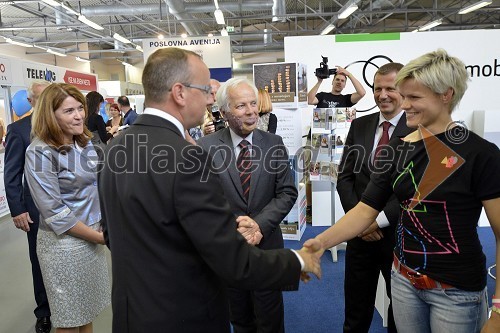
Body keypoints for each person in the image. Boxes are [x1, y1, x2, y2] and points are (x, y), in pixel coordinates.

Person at [98, 47, 322, 333]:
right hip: (183, 314)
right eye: (204, 90)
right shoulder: (188, 156)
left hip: (134, 314)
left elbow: (111, 233)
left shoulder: (116, 147)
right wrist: (298, 259)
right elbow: (232, 260)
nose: (208, 100)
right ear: (179, 92)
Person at [305, 49, 500, 333]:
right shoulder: (398, 147)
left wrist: (498, 309)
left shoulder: (480, 154)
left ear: (446, 95)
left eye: (413, 97)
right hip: (404, 280)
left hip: (455, 291)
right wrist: (319, 244)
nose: (403, 104)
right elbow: (365, 209)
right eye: (404, 95)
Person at [197, 78, 297, 333]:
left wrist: (259, 225)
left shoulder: (273, 144)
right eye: (242, 106)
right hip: (228, 249)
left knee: (270, 317)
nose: (252, 111)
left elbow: (286, 192)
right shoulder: (206, 147)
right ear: (225, 112)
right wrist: (235, 228)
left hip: (267, 248)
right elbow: (203, 199)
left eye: (253, 104)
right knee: (239, 318)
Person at [24, 83, 111, 332]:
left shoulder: (83, 143)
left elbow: (99, 184)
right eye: (69, 111)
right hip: (65, 247)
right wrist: (101, 237)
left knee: (87, 312)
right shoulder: (40, 151)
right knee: (70, 319)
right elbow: (55, 213)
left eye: (79, 109)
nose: (79, 116)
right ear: (51, 116)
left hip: (92, 237)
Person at [337, 62, 412, 333]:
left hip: (397, 236)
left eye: (390, 88)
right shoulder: (360, 125)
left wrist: (376, 221)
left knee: (400, 310)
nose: (383, 95)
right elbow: (345, 178)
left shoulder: (417, 129)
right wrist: (359, 221)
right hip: (359, 237)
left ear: (403, 90)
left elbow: (410, 187)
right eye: (378, 88)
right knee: (356, 308)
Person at [4, 79, 52, 333]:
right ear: (31, 101)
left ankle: (68, 303)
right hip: (34, 210)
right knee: (39, 259)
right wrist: (18, 209)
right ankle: (44, 311)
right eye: (40, 98)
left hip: (69, 208)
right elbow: (12, 174)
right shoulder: (18, 130)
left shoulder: (65, 125)